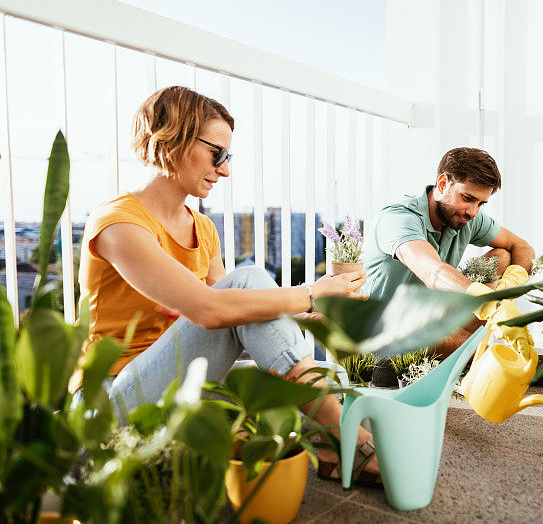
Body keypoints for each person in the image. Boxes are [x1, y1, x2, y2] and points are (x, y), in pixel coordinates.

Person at [68, 85, 379, 485]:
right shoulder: (117, 224)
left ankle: (329, 447)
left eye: (228, 156)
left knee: (326, 370)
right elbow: (210, 310)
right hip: (110, 404)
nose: (225, 169)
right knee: (250, 281)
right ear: (173, 137)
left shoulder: (202, 228)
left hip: (179, 384)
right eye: (218, 153)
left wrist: (310, 311)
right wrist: (313, 290)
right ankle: (345, 437)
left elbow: (243, 316)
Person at [363, 147, 543, 385]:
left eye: (481, 203)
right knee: (445, 335)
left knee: (502, 257)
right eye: (468, 198)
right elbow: (432, 271)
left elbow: (521, 247)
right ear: (443, 184)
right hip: (385, 335)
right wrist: (485, 302)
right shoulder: (399, 220)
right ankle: (514, 367)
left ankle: (478, 358)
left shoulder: (464, 215)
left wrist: (511, 284)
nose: (473, 211)